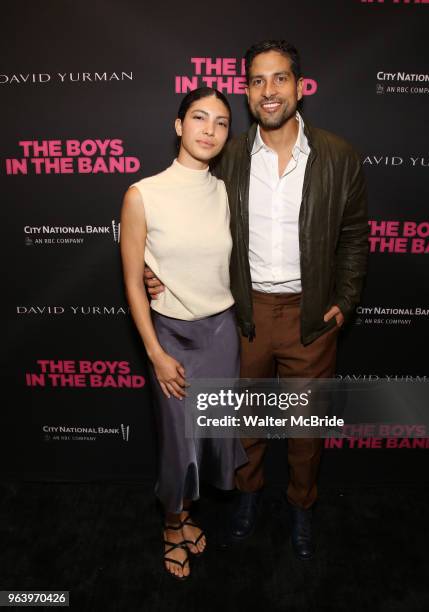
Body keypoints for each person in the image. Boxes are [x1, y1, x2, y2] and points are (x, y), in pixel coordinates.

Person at [145, 40, 369, 561]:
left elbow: (356, 233)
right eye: (257, 82)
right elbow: (183, 215)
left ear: (299, 85)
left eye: (280, 79)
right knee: (245, 423)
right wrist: (151, 268)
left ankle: (300, 506)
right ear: (247, 92)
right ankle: (246, 499)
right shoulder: (228, 155)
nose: (269, 92)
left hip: (311, 316)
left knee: (305, 428)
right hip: (242, 315)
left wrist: (346, 298)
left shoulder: (339, 155)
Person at [120, 87, 247, 580]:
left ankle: (187, 515)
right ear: (178, 125)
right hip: (171, 337)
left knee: (208, 439)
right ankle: (171, 527)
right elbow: (133, 281)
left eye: (220, 122)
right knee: (177, 443)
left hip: (222, 334)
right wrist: (153, 351)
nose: (209, 130)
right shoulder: (143, 194)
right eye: (199, 117)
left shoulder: (226, 190)